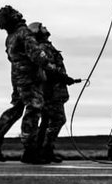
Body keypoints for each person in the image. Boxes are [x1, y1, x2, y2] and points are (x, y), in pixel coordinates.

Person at [0, 4, 49, 164]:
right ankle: (30, 151)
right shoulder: (24, 33)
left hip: (17, 78)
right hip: (30, 79)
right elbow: (37, 55)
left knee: (16, 110)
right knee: (34, 109)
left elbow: (11, 57)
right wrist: (47, 62)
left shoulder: (10, 37)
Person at [28, 21, 80, 164]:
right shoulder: (44, 47)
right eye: (42, 27)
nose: (46, 28)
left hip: (52, 90)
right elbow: (49, 70)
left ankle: (42, 151)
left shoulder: (46, 47)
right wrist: (65, 78)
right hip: (51, 91)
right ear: (38, 32)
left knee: (46, 121)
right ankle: (45, 150)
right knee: (58, 119)